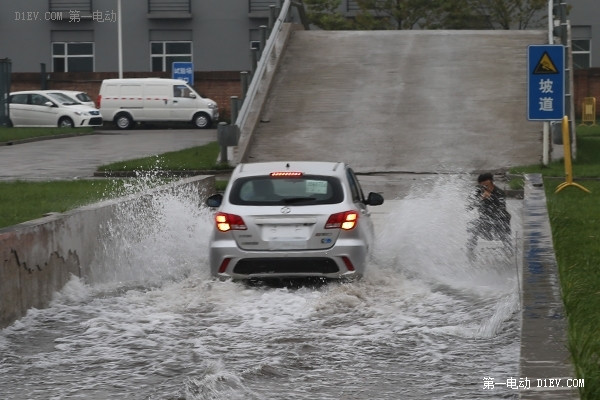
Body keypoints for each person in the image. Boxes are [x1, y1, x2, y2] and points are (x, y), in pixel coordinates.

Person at [466, 173, 512, 259]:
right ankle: (470, 254)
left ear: (491, 181)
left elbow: (501, 209)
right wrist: (480, 199)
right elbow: (469, 206)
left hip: (500, 219)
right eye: (482, 185)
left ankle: (509, 251)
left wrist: (492, 197)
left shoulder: (499, 192)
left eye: (486, 184)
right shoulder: (478, 191)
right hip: (484, 219)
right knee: (472, 227)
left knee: (504, 234)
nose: (484, 187)